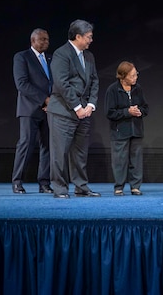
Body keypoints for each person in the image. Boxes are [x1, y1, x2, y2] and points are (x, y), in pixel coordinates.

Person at [46, 19, 100, 199]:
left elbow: (94, 81)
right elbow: (62, 84)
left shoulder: (89, 56)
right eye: (88, 37)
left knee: (80, 153)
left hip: (84, 112)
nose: (91, 40)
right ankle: (60, 188)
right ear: (78, 36)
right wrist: (77, 107)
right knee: (60, 152)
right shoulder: (62, 54)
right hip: (63, 111)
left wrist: (91, 105)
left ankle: (81, 186)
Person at [10, 28, 53, 194]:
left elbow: (54, 82)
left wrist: (52, 101)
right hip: (29, 109)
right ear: (33, 40)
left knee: (48, 147)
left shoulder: (51, 58)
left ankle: (44, 183)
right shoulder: (22, 57)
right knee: (26, 144)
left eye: (47, 39)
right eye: (42, 39)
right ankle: (17, 181)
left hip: (49, 110)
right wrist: (44, 99)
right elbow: (22, 84)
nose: (45, 42)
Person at [105, 61, 149, 196]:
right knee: (120, 161)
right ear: (123, 76)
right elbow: (110, 112)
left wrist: (140, 111)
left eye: (136, 75)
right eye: (132, 76)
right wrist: (127, 112)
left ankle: (135, 187)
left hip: (136, 130)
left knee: (136, 160)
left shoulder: (138, 89)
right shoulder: (113, 90)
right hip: (120, 132)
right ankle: (119, 187)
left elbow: (145, 107)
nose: (136, 78)